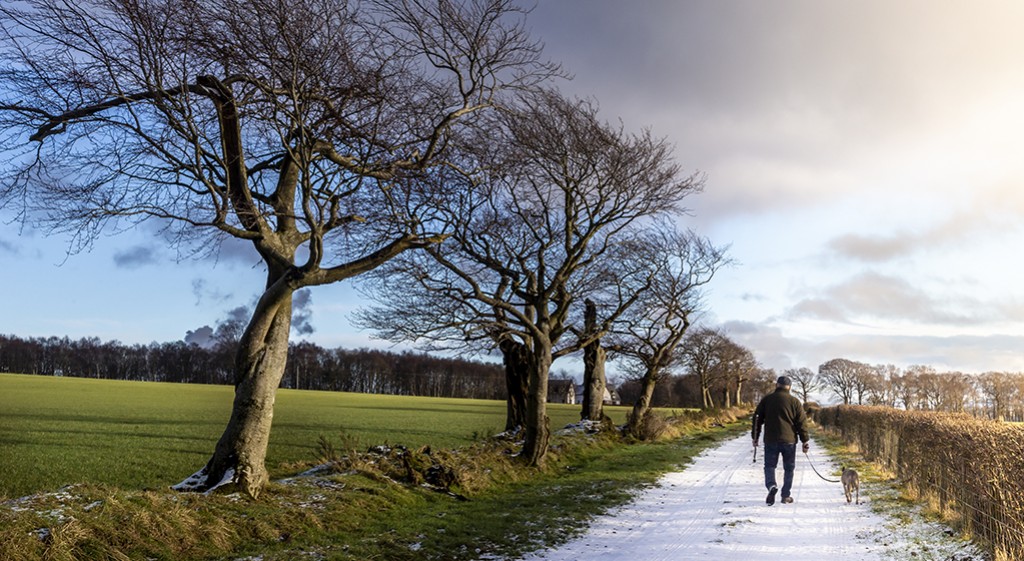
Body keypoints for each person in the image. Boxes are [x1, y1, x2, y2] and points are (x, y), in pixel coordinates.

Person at [752, 375, 809, 505]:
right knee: (789, 469)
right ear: (789, 387)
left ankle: (771, 486)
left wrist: (755, 437)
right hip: (789, 441)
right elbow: (801, 422)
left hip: (771, 440)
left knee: (770, 466)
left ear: (776, 385)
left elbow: (757, 419)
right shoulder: (794, 402)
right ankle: (785, 496)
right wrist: (804, 440)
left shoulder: (767, 400)